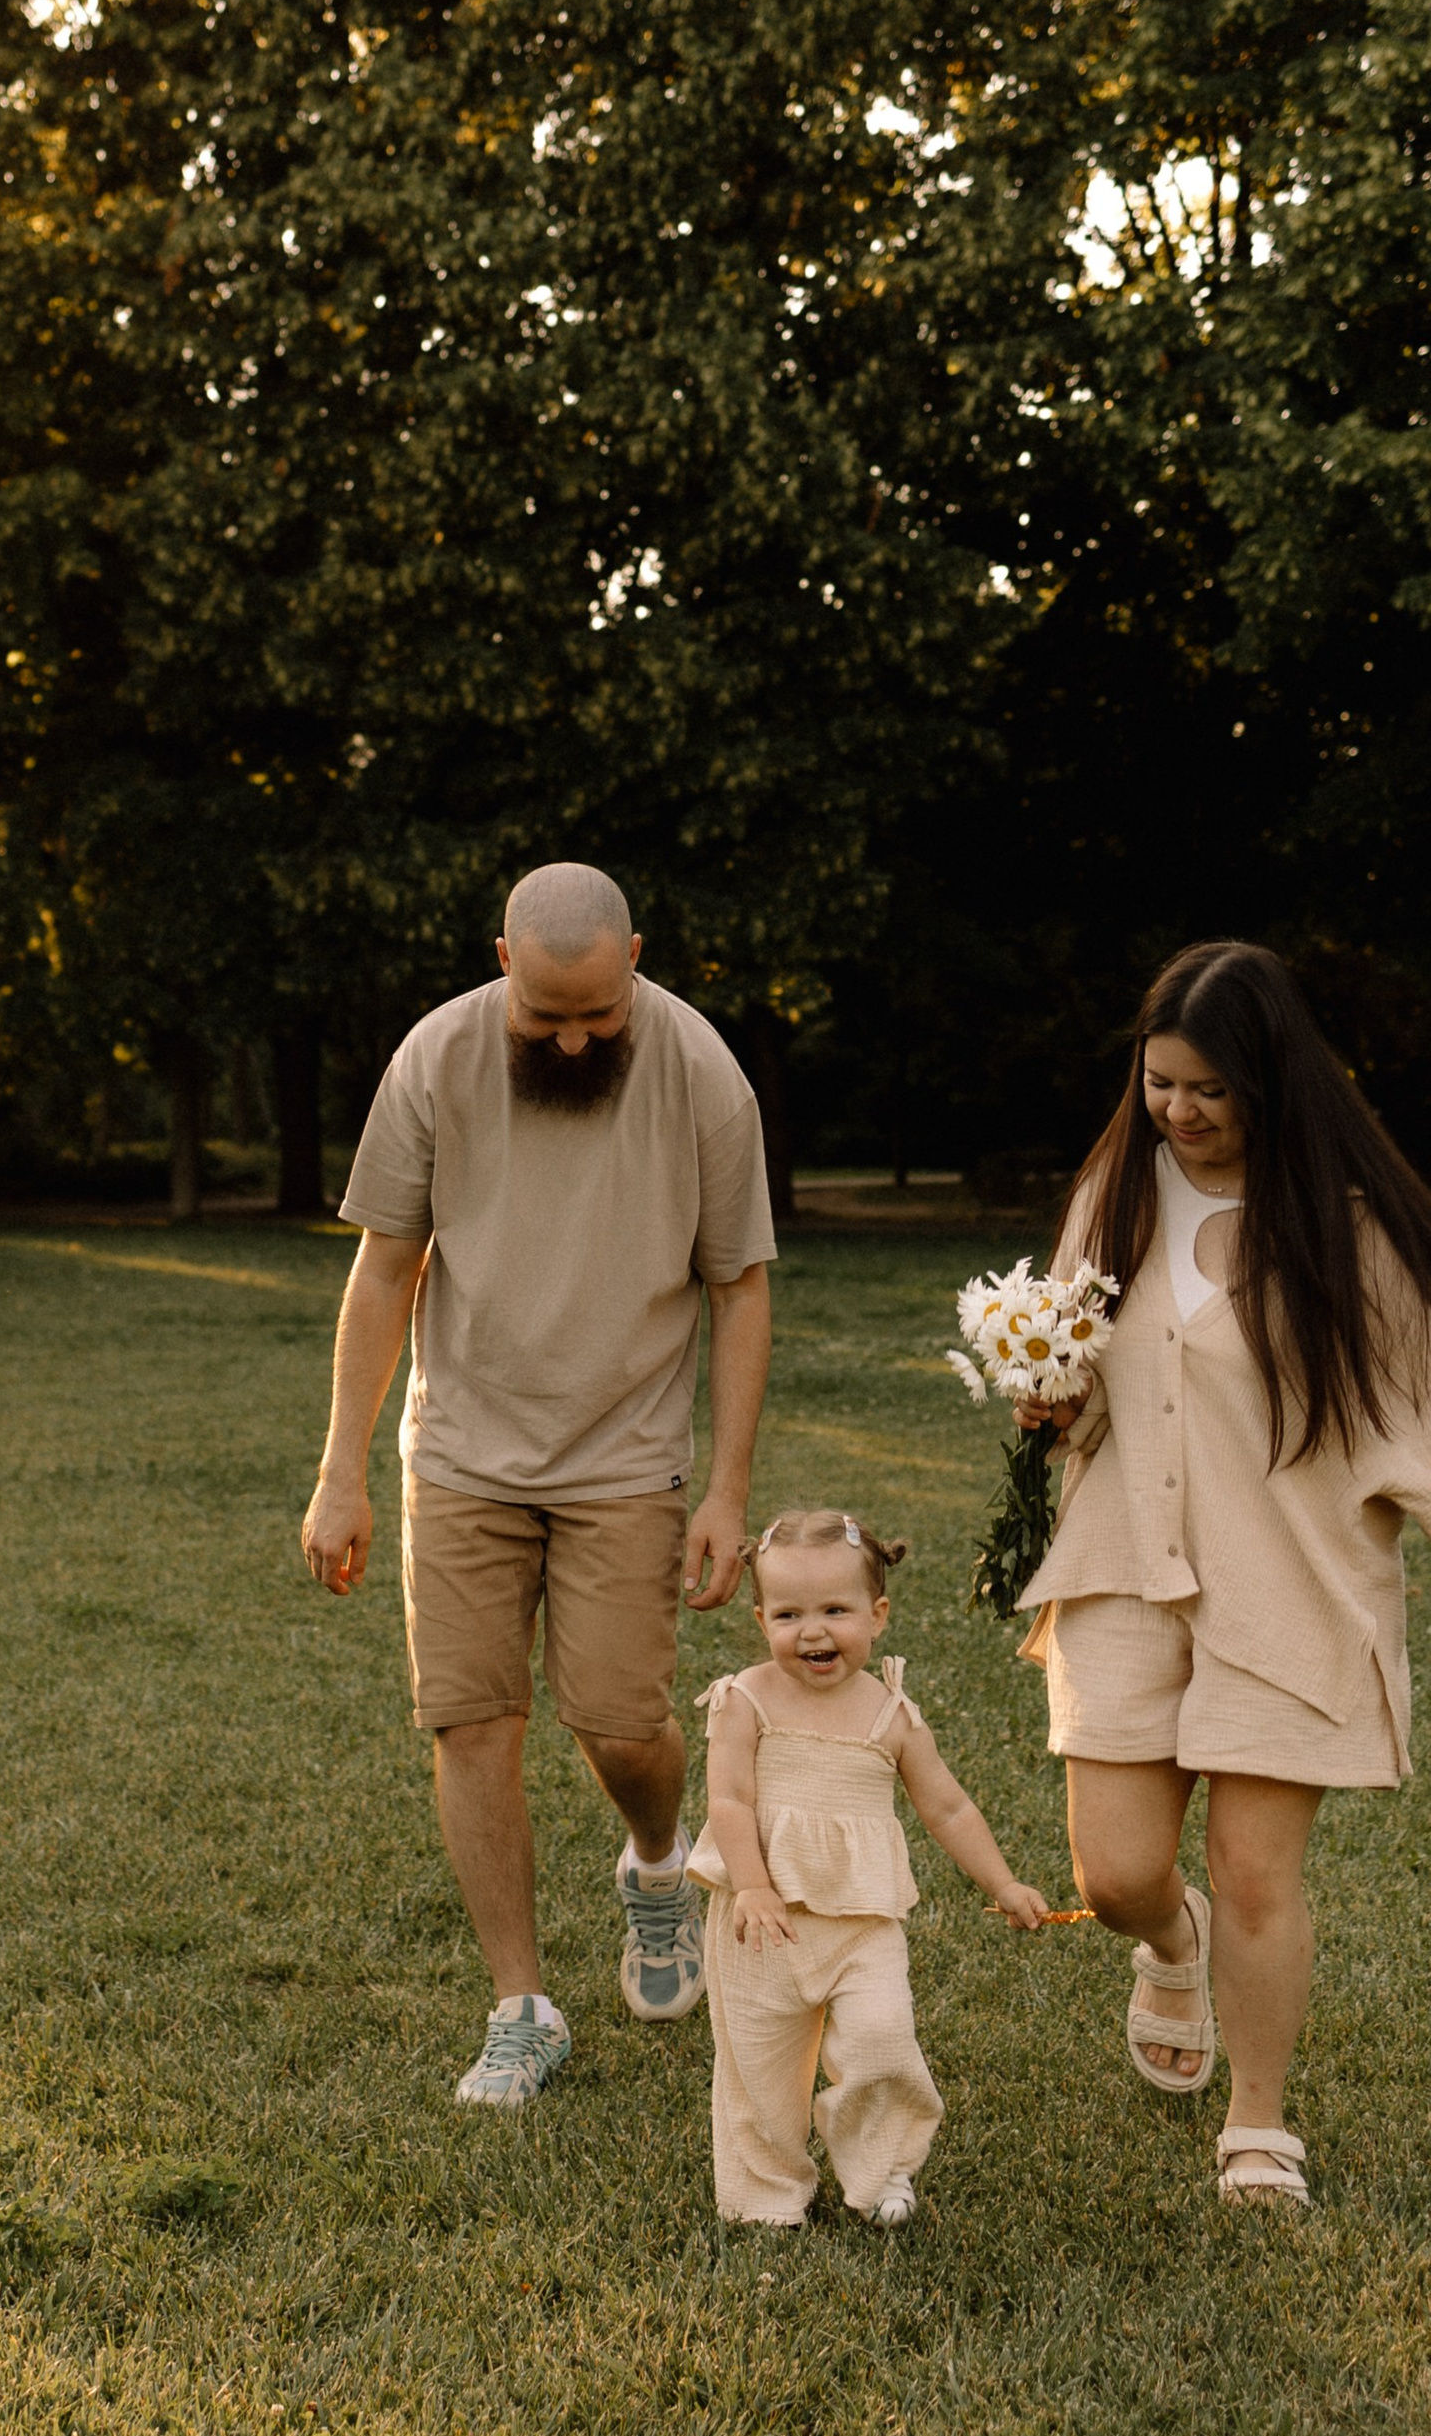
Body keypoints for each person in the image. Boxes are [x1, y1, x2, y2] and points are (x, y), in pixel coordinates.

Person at [1018, 940, 1431, 2209]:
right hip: (1120, 1569)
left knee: (1257, 1872)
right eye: (1160, 1084)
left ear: (1273, 1081)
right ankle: (1172, 1945)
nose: (1180, 1112)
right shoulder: (1121, 1187)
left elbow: (1430, 1423)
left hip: (1293, 1586)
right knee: (1115, 1876)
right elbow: (1066, 1340)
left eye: (1209, 1089)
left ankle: (1257, 2128)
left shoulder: (1344, 1227)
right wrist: (1049, 1390)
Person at [302, 864, 776, 2110]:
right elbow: (382, 1269)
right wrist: (340, 1470)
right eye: (545, 1017)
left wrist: (726, 1490)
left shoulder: (701, 1072)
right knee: (470, 1722)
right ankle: (521, 2006)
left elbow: (741, 1285)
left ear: (635, 958)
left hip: (624, 1454)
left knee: (619, 1723)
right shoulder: (434, 1058)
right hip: (461, 1450)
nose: (573, 1039)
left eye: (599, 1018)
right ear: (503, 961)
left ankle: (658, 1865)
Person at [691, 1510, 1052, 2227]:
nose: (813, 1631)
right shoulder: (746, 1700)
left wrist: (1003, 1882)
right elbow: (728, 1799)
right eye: (789, 1613)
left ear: (878, 1614)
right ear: (761, 1617)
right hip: (762, 1923)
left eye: (835, 1610)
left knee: (884, 2039)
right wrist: (754, 1884)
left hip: (862, 1922)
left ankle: (881, 2169)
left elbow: (946, 1807)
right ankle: (767, 2194)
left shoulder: (890, 1712)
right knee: (759, 2071)